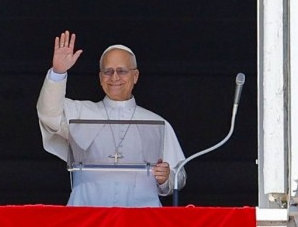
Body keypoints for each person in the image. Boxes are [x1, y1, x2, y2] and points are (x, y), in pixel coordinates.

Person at [37, 30, 186, 207]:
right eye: (108, 71)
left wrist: (165, 177)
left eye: (122, 71)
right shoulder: (80, 113)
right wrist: (58, 72)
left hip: (141, 214)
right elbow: (49, 114)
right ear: (101, 78)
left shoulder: (157, 123)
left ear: (135, 76)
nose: (114, 77)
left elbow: (179, 175)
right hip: (88, 212)